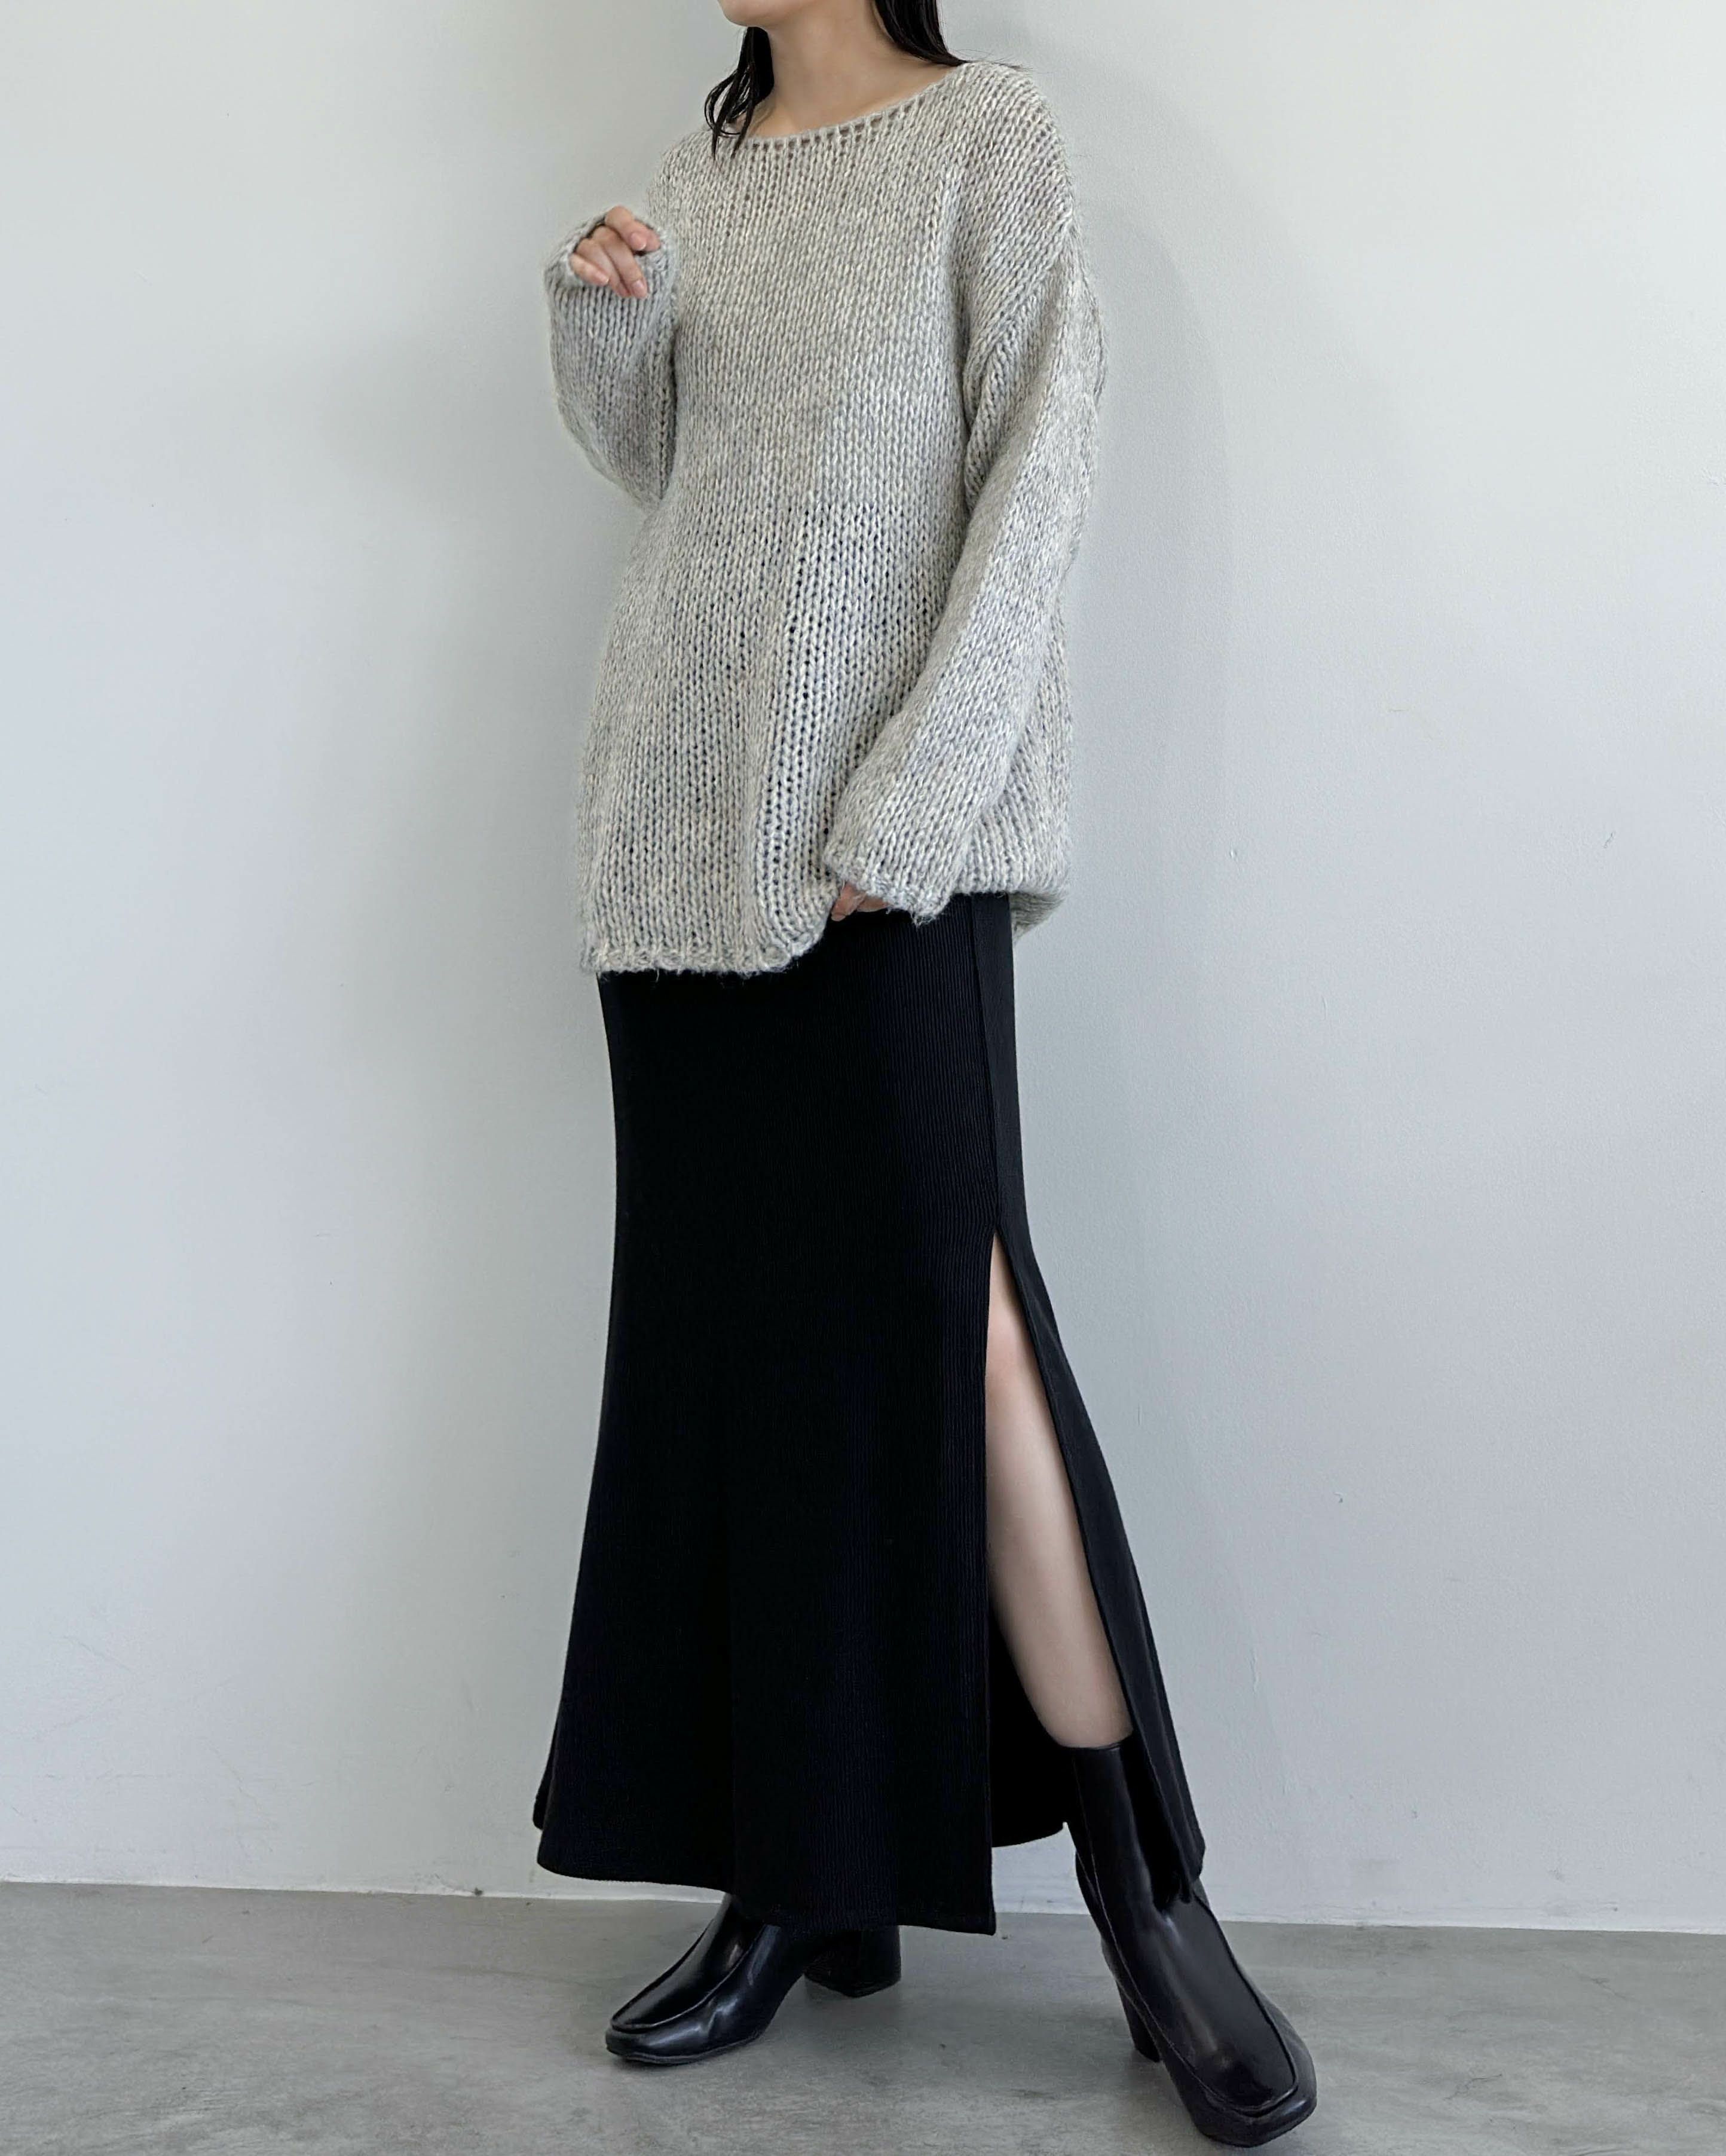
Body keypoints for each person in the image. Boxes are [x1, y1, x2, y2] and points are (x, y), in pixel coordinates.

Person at [531, 2, 1317, 2142]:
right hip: (678, 837)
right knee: (737, 1368)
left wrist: (919, 796)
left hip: (887, 847)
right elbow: (668, 475)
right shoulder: (707, 165)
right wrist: (607, 324)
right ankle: (802, 1883)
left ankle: (1152, 1903)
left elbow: (1037, 474)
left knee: (965, 1347)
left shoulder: (992, 139)